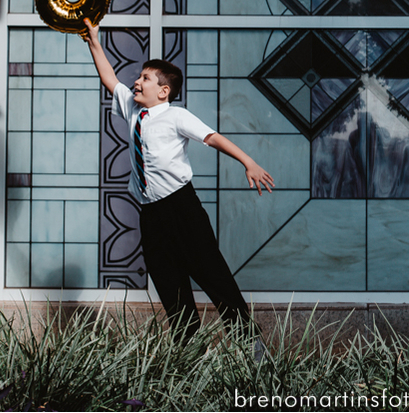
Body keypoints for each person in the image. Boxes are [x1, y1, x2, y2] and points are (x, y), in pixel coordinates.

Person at [83, 18, 274, 345]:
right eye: (139, 76)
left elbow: (212, 138)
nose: (137, 82)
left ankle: (251, 346)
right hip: (151, 215)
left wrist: (248, 162)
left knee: (215, 277)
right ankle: (189, 354)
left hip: (182, 208)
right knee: (171, 288)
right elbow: (109, 79)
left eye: (145, 78)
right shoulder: (133, 110)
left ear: (164, 90)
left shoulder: (176, 115)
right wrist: (94, 43)